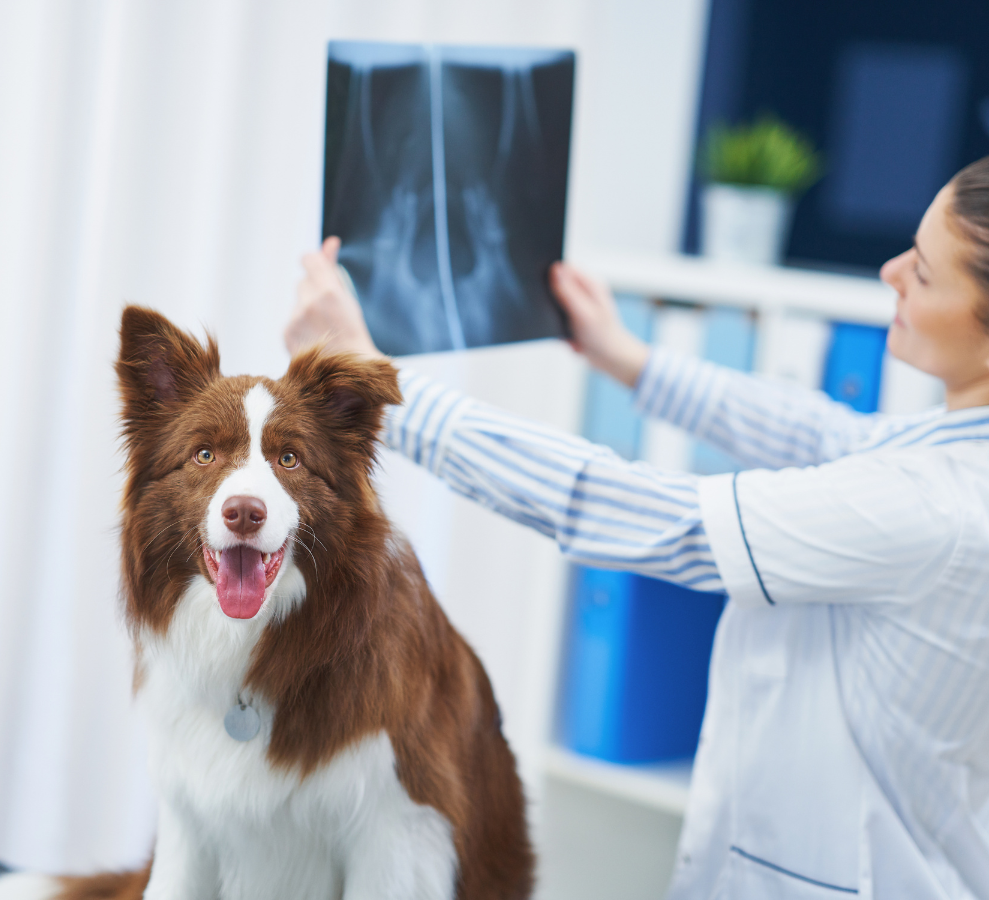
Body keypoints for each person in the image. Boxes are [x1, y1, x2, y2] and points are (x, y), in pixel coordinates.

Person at [284, 157, 989, 899]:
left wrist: (378, 385)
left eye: (925, 271)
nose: (890, 273)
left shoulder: (933, 506)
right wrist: (629, 360)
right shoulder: (948, 463)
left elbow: (628, 508)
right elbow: (823, 433)